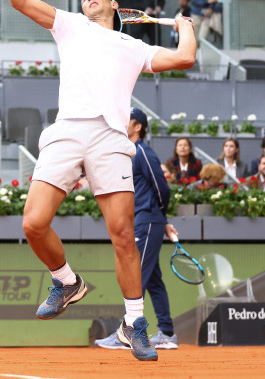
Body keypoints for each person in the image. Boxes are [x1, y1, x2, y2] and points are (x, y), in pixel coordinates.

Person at [0, 0, 196, 362]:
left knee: (122, 235)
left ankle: (134, 323)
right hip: (66, 131)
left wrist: (185, 25)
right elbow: (20, 0)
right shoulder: (70, 26)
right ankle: (66, 281)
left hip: (110, 138)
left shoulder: (133, 46)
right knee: (33, 223)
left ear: (115, 5)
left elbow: (186, 55)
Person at [95, 107, 178, 351]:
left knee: (137, 275)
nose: (122, 123)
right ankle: (167, 333)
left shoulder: (142, 152)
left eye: (126, 120)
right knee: (152, 279)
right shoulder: (130, 153)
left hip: (148, 220)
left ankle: (128, 332)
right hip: (143, 220)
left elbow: (162, 188)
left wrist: (160, 219)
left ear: (138, 126)